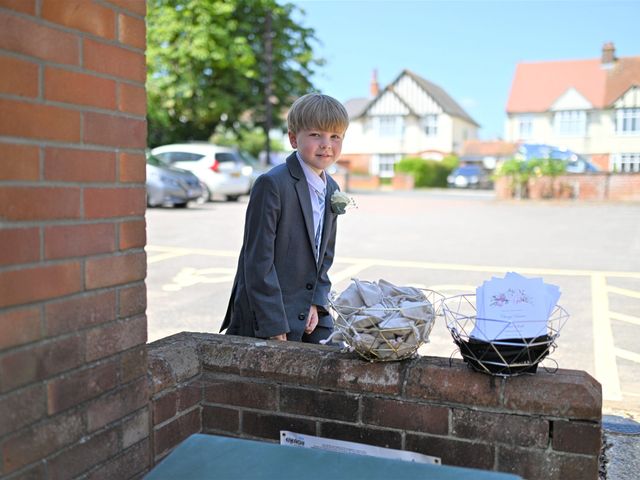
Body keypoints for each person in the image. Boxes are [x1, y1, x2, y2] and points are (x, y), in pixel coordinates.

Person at [220, 93, 350, 343]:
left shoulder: (332, 188)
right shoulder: (272, 184)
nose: (326, 144)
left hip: (309, 307)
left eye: (335, 136)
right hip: (269, 310)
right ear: (293, 138)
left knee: (337, 358)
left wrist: (317, 304)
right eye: (316, 135)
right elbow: (257, 259)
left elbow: (325, 256)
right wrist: (272, 322)